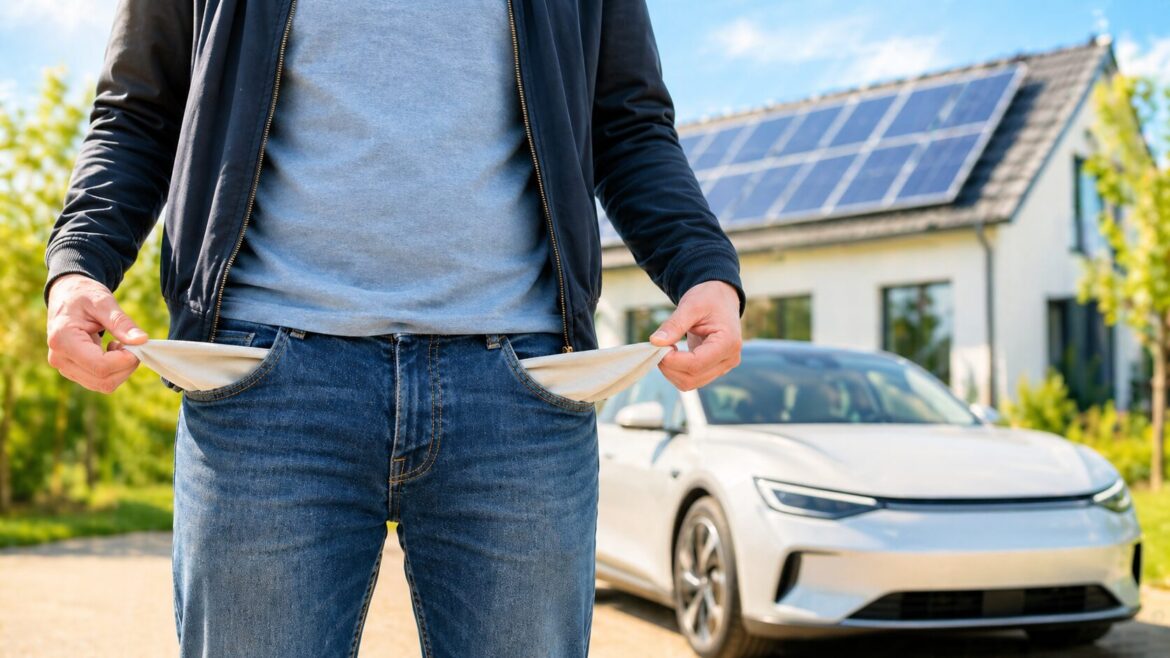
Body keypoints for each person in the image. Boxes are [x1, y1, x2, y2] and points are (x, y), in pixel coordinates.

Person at [42, 1, 746, 656]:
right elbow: (139, 112)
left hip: (521, 394)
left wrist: (702, 267)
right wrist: (79, 263)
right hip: (263, 391)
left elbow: (627, 124)